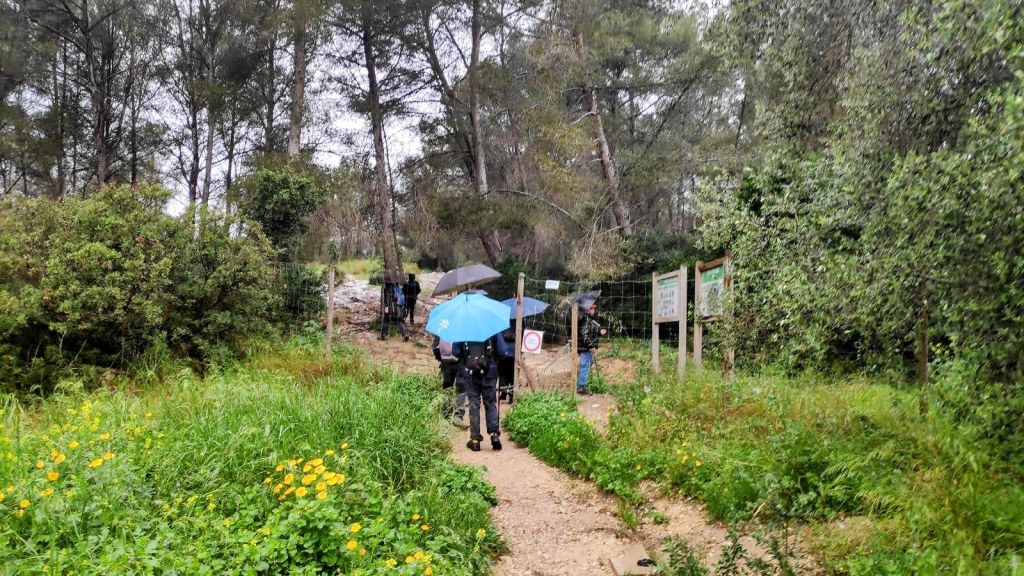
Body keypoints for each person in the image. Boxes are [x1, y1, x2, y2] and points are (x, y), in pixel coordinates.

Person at [456, 332, 509, 451]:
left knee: (474, 405)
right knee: (490, 403)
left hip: (470, 374)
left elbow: (455, 352)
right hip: (489, 373)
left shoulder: (464, 329)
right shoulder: (492, 328)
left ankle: (475, 440)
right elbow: (502, 351)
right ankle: (494, 434)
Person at [433, 335, 466, 428]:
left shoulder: (444, 324)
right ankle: (458, 416)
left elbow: (435, 346)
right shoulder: (463, 324)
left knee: (447, 387)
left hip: (445, 361)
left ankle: (446, 414)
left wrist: (441, 359)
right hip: (460, 361)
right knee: (461, 388)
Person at [576, 302, 606, 395]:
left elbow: (593, 329)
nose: (594, 310)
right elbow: (584, 335)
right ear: (588, 310)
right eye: (592, 309)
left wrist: (600, 330)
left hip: (586, 347)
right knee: (585, 366)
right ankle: (581, 387)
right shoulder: (585, 320)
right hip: (585, 348)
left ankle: (581, 385)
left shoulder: (590, 319)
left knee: (585, 366)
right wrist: (591, 346)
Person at [496, 322, 516, 403]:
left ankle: (503, 393)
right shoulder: (518, 320)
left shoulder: (500, 320)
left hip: (502, 351)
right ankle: (511, 395)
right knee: (511, 375)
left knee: (502, 374)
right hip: (513, 351)